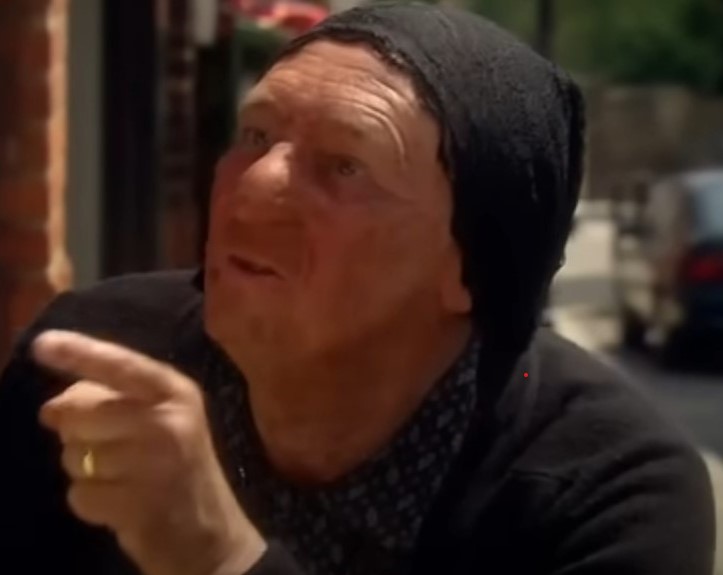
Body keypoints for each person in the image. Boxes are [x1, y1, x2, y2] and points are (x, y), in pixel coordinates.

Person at [0, 3, 715, 575]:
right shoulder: (94, 365)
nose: (253, 187)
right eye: (254, 136)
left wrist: (216, 557)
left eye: (344, 166)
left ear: (467, 267)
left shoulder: (607, 491)